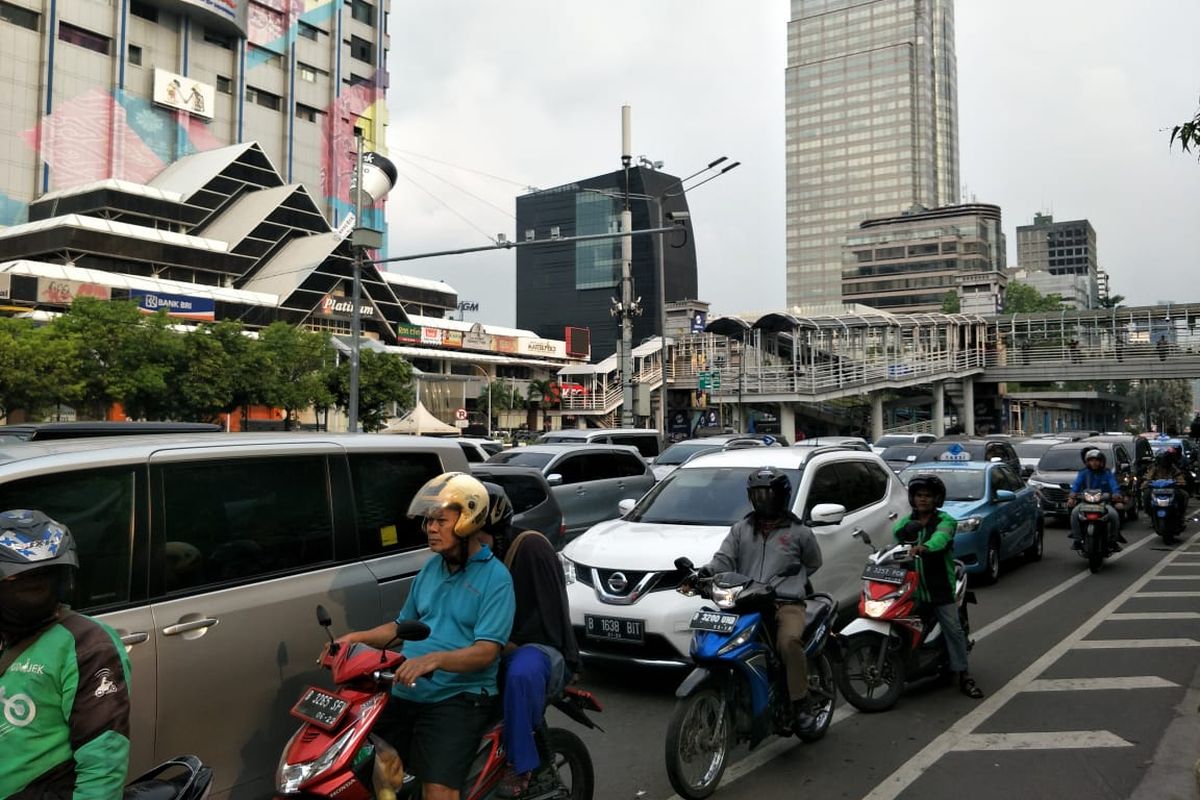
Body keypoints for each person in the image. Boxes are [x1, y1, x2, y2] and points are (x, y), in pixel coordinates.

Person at [332, 473, 515, 800]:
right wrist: (355, 639)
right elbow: (400, 627)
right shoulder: (431, 569)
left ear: (468, 521)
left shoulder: (496, 579)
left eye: (440, 521)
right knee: (358, 763)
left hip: (459, 697)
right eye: (429, 521)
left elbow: (487, 651)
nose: (431, 528)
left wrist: (435, 660)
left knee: (439, 789)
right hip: (407, 690)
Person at [0, 509, 132, 798]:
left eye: (43, 578)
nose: (33, 589)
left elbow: (104, 758)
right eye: (15, 580)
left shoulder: (87, 645)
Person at [475, 483, 580, 798]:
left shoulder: (530, 547)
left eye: (480, 537)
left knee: (521, 674)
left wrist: (506, 643)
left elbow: (549, 616)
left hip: (538, 648)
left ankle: (522, 766)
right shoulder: (457, 559)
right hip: (491, 645)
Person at [698, 467, 822, 732]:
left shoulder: (799, 532)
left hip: (785, 602)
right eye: (757, 494)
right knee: (721, 642)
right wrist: (707, 572)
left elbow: (812, 563)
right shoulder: (741, 529)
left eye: (768, 494)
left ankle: (801, 703)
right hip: (745, 600)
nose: (762, 500)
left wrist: (790, 582)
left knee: (788, 643)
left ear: (781, 496)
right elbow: (724, 559)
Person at [895, 476, 984, 699]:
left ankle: (963, 674)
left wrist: (924, 547)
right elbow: (896, 534)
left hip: (940, 588)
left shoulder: (946, 520)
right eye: (918, 495)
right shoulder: (908, 520)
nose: (922, 499)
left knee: (952, 629)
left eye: (927, 496)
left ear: (936, 499)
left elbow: (941, 538)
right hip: (913, 588)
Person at [1068, 449, 1125, 551]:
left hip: (1103, 503)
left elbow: (1113, 485)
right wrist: (1072, 495)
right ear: (1087, 462)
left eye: (1096, 460)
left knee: (1114, 515)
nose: (1094, 463)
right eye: (1091, 460)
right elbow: (1076, 485)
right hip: (1085, 502)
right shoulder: (1083, 473)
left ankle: (1113, 540)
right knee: (1074, 513)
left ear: (1101, 461)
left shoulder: (1107, 473)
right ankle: (1077, 539)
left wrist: (1116, 494)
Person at [1143, 448, 1189, 519]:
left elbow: (1179, 476)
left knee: (1184, 495)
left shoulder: (1173, 468)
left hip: (1171, 489)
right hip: (1156, 489)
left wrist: (1180, 482)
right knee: (1146, 495)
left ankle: (1180, 514)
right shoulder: (1154, 468)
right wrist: (1147, 483)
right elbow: (1148, 477)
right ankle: (1150, 513)